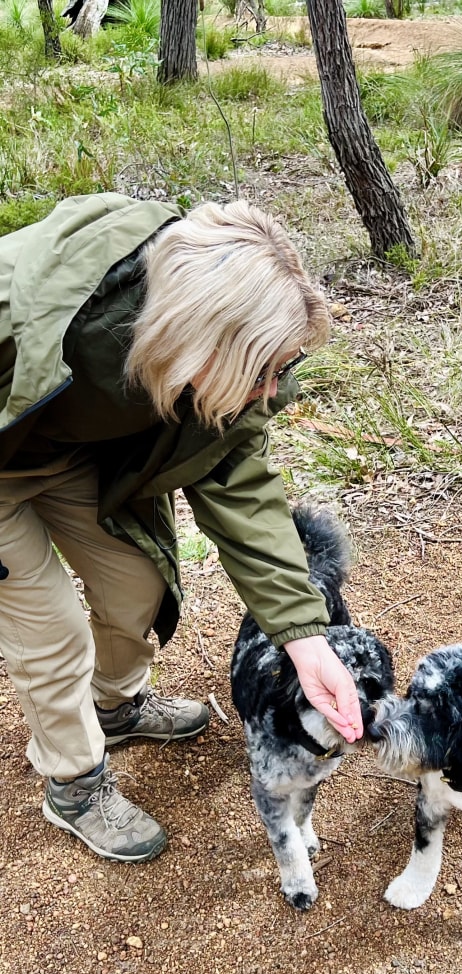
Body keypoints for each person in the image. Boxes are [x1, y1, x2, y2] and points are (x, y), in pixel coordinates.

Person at [0, 192, 364, 863]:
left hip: (76, 457)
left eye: (281, 370)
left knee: (139, 583)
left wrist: (304, 638)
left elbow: (241, 488)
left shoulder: (226, 367)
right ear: (197, 340)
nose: (271, 392)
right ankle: (73, 782)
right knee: (50, 633)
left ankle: (113, 708)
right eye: (262, 371)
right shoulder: (31, 307)